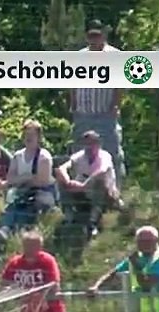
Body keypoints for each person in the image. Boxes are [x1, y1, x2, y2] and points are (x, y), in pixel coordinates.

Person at [0, 120, 55, 247]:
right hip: (22, 193)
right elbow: (11, 178)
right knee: (12, 204)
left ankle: (6, 232)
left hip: (42, 194)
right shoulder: (18, 156)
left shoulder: (44, 157)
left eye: (32, 135)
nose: (28, 138)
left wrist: (20, 180)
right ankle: (3, 232)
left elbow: (42, 180)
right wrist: (26, 177)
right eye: (26, 134)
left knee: (28, 207)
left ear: (39, 137)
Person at [72, 21, 124, 178]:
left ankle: (115, 191)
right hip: (83, 113)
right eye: (91, 36)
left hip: (105, 113)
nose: (94, 39)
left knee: (112, 152)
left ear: (104, 35)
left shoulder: (114, 55)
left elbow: (120, 84)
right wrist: (73, 105)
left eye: (97, 35)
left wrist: (115, 105)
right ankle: (79, 191)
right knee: (79, 153)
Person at [54, 130, 119, 237]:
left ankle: (93, 222)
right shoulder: (79, 156)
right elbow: (63, 167)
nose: (89, 147)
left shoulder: (105, 156)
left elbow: (101, 171)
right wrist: (67, 181)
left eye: (92, 143)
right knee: (61, 182)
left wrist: (84, 185)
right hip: (83, 191)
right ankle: (69, 217)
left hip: (105, 193)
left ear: (98, 144)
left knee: (99, 182)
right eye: (86, 144)